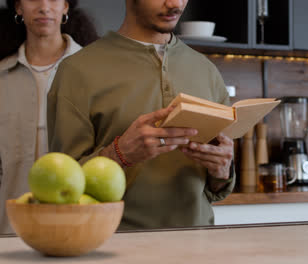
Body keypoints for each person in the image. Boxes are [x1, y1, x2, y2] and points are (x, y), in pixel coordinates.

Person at [47, 0, 235, 230]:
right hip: (112, 245)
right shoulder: (76, 71)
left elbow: (216, 189)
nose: (175, 4)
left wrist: (222, 169)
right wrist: (119, 154)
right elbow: (60, 187)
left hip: (199, 242)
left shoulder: (207, 71)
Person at [0, 0, 98, 233]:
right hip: (11, 224)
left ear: (66, 6)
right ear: (18, 7)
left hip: (77, 222)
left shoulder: (95, 71)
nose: (44, 7)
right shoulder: (2, 76)